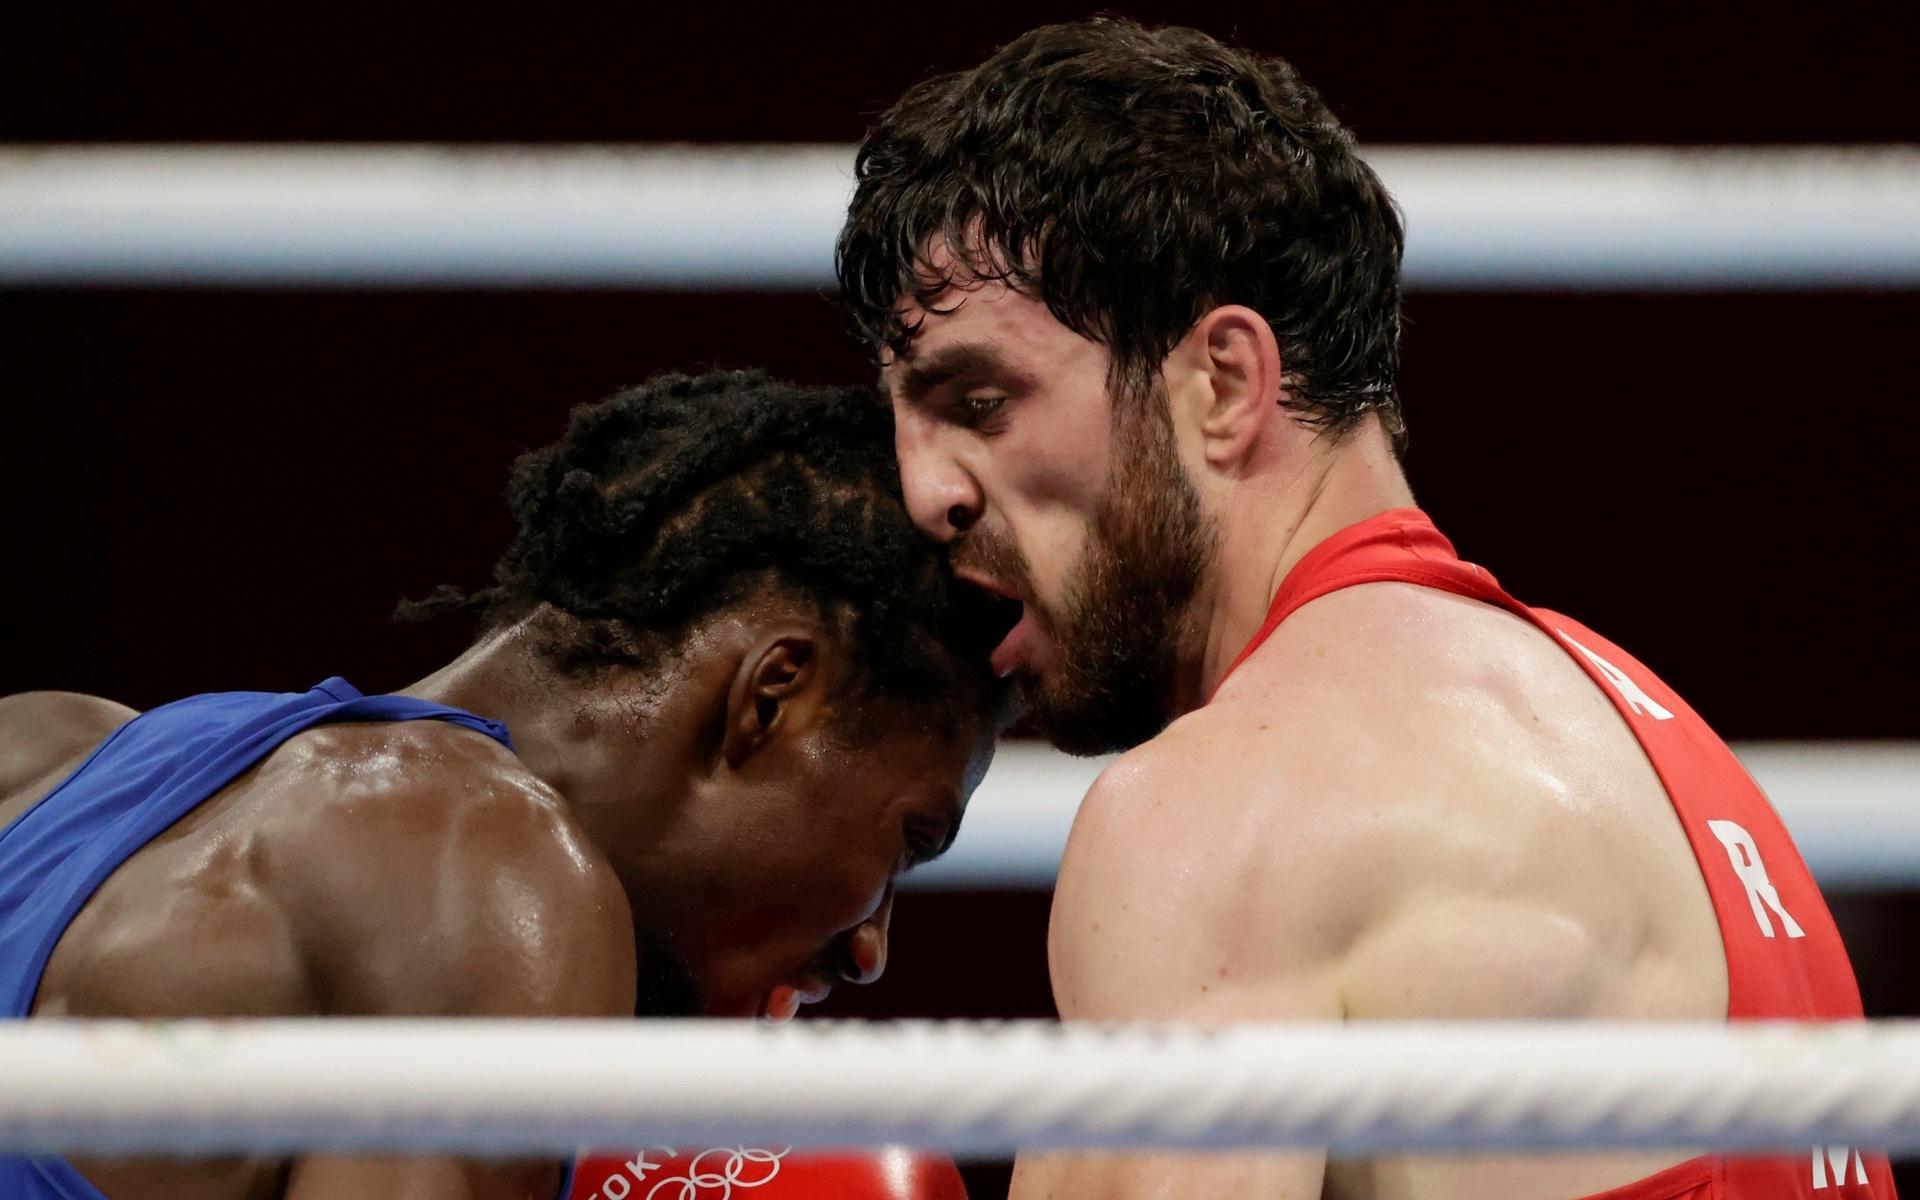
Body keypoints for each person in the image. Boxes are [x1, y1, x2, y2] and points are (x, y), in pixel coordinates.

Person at [838, 18, 1891, 1200]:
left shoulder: (1219, 812)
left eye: (980, 401)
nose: (924, 490)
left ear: (1224, 385)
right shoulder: (1648, 739)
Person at [0, 370, 1006, 1200]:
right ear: (772, 696)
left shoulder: (53, 740)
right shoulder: (500, 886)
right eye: (909, 842)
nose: (871, 949)